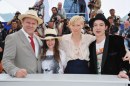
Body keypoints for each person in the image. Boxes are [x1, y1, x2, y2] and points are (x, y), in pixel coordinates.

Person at [2, 10, 43, 78]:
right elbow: (6, 61)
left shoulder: (38, 39)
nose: (31, 25)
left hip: (38, 79)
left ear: (37, 25)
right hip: (21, 80)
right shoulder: (12, 38)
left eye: (33, 23)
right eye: (28, 22)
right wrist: (15, 71)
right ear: (22, 22)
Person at [88, 14, 129, 79]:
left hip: (114, 79)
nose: (98, 28)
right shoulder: (91, 45)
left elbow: (125, 59)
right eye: (95, 25)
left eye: (101, 25)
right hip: (96, 81)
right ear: (92, 28)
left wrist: (123, 71)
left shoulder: (116, 40)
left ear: (106, 27)